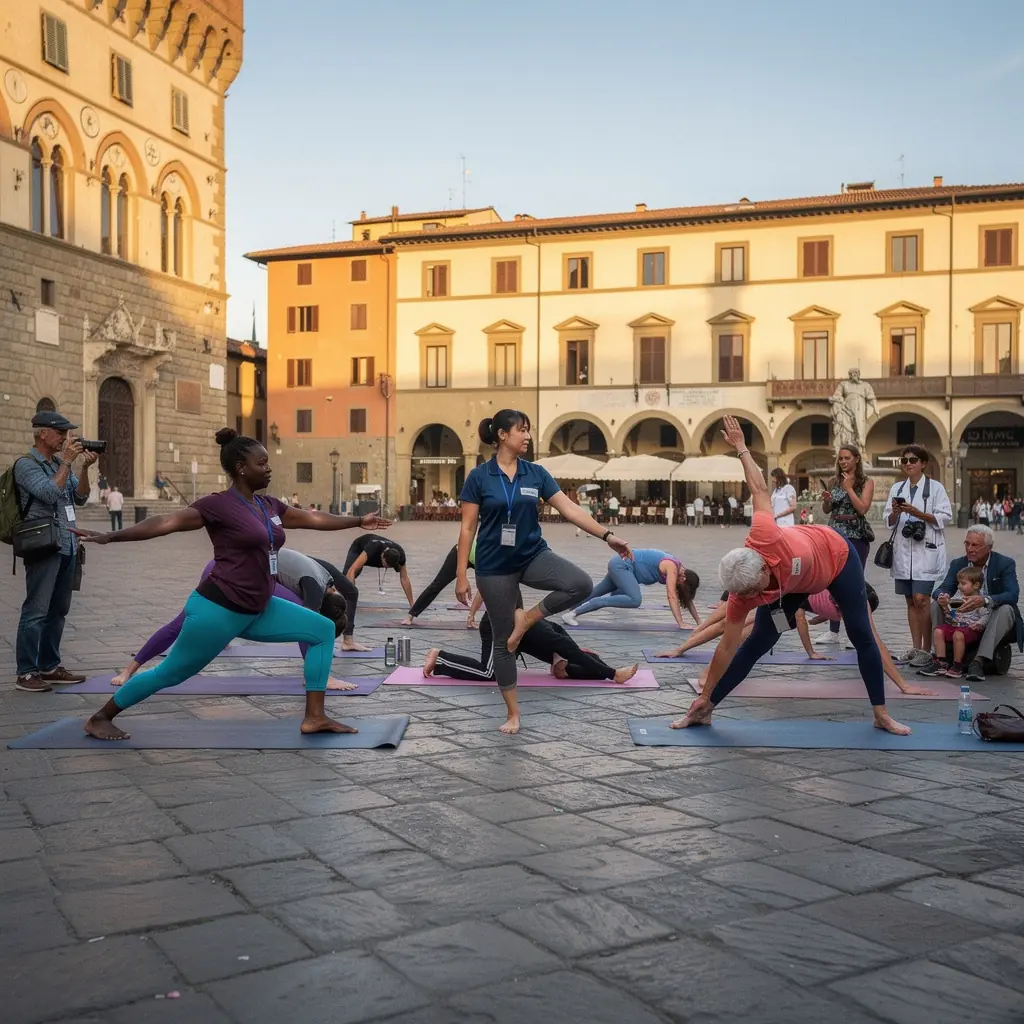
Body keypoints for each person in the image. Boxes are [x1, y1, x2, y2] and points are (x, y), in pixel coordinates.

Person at [74, 428, 390, 741]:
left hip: (260, 606)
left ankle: (315, 717)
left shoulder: (269, 506)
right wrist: (111, 536)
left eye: (268, 463)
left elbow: (312, 517)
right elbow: (167, 522)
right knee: (171, 673)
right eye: (262, 463)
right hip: (219, 609)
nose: (268, 469)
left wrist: (357, 521)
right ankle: (101, 717)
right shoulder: (219, 505)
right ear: (241, 468)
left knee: (321, 629)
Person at [670, 415, 909, 735]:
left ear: (764, 569)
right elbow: (725, 648)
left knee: (861, 633)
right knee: (757, 642)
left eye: (757, 591)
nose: (752, 599)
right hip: (794, 587)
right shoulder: (744, 592)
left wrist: (742, 447)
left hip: (837, 561)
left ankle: (880, 713)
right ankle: (707, 711)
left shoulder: (766, 534)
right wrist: (705, 696)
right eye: (748, 596)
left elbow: (757, 486)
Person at [455, 409, 632, 734]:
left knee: (579, 583)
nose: (528, 436)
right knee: (505, 641)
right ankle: (513, 714)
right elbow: (467, 527)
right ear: (503, 435)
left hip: (532, 555)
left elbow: (570, 508)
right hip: (493, 567)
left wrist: (607, 536)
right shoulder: (479, 477)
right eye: (522, 430)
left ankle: (529, 618)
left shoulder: (535, 474)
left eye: (529, 430)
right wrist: (462, 574)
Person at [110, 547, 358, 690]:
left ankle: (128, 670)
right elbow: (310, 625)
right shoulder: (314, 588)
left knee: (181, 622)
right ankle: (319, 676)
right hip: (237, 573)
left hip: (220, 565)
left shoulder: (325, 576)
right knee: (305, 621)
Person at [656, 582, 933, 696]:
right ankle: (700, 665)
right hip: (788, 600)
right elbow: (800, 617)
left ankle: (693, 657)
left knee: (746, 627)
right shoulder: (844, 594)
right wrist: (811, 653)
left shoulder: (857, 603)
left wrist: (903, 685)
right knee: (743, 626)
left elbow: (876, 645)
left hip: (794, 606)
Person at [12, 411, 96, 692]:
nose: (64, 437)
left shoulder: (59, 465)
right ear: (42, 434)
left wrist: (83, 468)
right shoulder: (26, 465)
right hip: (44, 545)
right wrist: (68, 462)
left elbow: (80, 497)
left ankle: (48, 666)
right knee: (36, 610)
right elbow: (49, 494)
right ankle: (26, 672)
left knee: (58, 610)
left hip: (69, 544)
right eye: (59, 432)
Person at [922, 524, 1023, 682]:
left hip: (992, 617)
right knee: (935, 604)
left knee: (1006, 609)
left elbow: (1012, 594)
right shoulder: (958, 564)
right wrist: (943, 596)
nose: (969, 548)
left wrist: (985, 600)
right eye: (967, 544)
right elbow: (942, 588)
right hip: (963, 617)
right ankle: (939, 658)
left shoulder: (1004, 563)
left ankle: (978, 661)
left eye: (975, 545)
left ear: (988, 547)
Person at [883, 445, 952, 669]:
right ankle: (915, 647)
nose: (908, 464)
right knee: (910, 600)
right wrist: (895, 513)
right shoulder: (897, 488)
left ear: (923, 463)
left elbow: (945, 517)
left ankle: (926, 649)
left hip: (926, 552)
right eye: (904, 461)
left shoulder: (936, 488)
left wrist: (918, 513)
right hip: (904, 553)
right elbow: (888, 520)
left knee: (922, 600)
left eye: (913, 460)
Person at [423, 613, 639, 685]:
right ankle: (440, 657)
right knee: (490, 673)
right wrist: (614, 674)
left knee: (573, 664)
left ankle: (609, 672)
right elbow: (575, 654)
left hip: (516, 632)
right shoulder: (554, 640)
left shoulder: (556, 639)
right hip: (496, 626)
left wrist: (602, 668)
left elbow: (579, 656)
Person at [816, 444, 874, 646]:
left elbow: (863, 508)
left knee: (855, 585)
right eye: (841, 459)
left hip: (856, 534)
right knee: (834, 583)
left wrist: (849, 488)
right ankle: (833, 632)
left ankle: (857, 631)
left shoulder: (866, 482)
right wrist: (826, 500)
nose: (843, 462)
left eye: (847, 458)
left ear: (856, 459)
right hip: (834, 533)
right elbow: (827, 510)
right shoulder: (834, 481)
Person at [562, 549, 700, 630]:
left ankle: (570, 607)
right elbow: (671, 595)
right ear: (684, 580)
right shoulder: (672, 567)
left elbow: (687, 600)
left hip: (622, 565)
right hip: (622, 566)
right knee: (635, 599)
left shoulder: (679, 571)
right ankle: (572, 614)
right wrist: (681, 623)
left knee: (595, 592)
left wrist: (700, 623)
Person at [926, 566, 992, 679]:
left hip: (970, 628)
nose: (959, 586)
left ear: (976, 585)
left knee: (958, 635)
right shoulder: (958, 597)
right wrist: (946, 609)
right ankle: (941, 661)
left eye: (963, 583)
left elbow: (986, 614)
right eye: (959, 583)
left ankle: (957, 665)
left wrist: (980, 624)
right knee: (938, 631)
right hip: (955, 625)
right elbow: (953, 614)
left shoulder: (978, 600)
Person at [402, 539, 483, 627]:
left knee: (488, 587)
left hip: (480, 559)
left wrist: (472, 614)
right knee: (438, 584)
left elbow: (483, 589)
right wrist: (461, 578)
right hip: (460, 553)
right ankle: (411, 615)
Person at [343, 533, 414, 607]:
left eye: (390, 567)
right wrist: (351, 601)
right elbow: (352, 570)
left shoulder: (401, 554)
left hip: (375, 556)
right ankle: (344, 600)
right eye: (386, 565)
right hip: (359, 549)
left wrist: (412, 605)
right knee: (346, 577)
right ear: (382, 555)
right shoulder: (373, 548)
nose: (386, 568)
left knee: (400, 569)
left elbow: (404, 579)